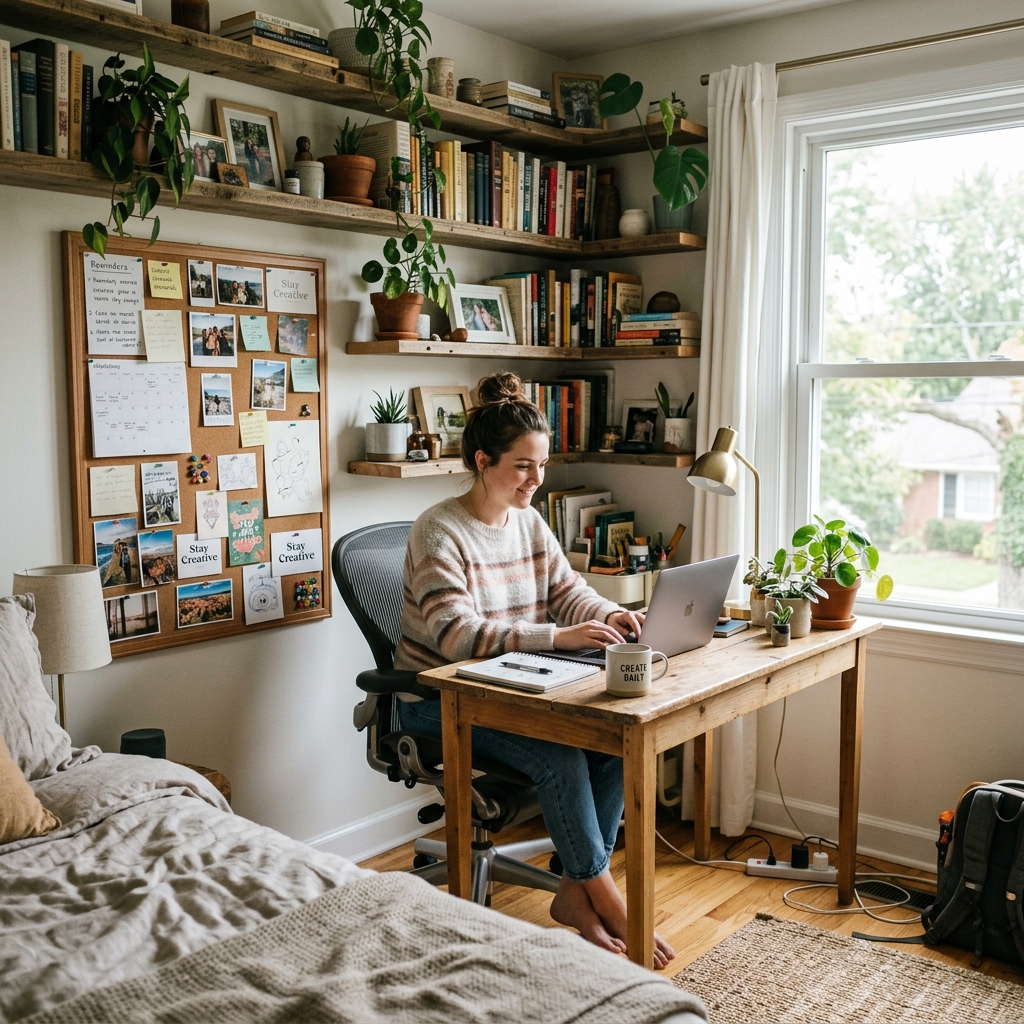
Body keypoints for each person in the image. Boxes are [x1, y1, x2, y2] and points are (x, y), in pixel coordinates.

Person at [394, 371, 676, 969]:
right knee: (561, 753)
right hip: (438, 702)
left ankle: (574, 891)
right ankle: (604, 895)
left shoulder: (527, 521)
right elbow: (457, 637)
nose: (537, 479)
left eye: (542, 465)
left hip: (513, 688)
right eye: (523, 466)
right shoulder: (438, 531)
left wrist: (611, 614)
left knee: (611, 739)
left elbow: (568, 592)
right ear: (483, 461)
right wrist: (557, 636)